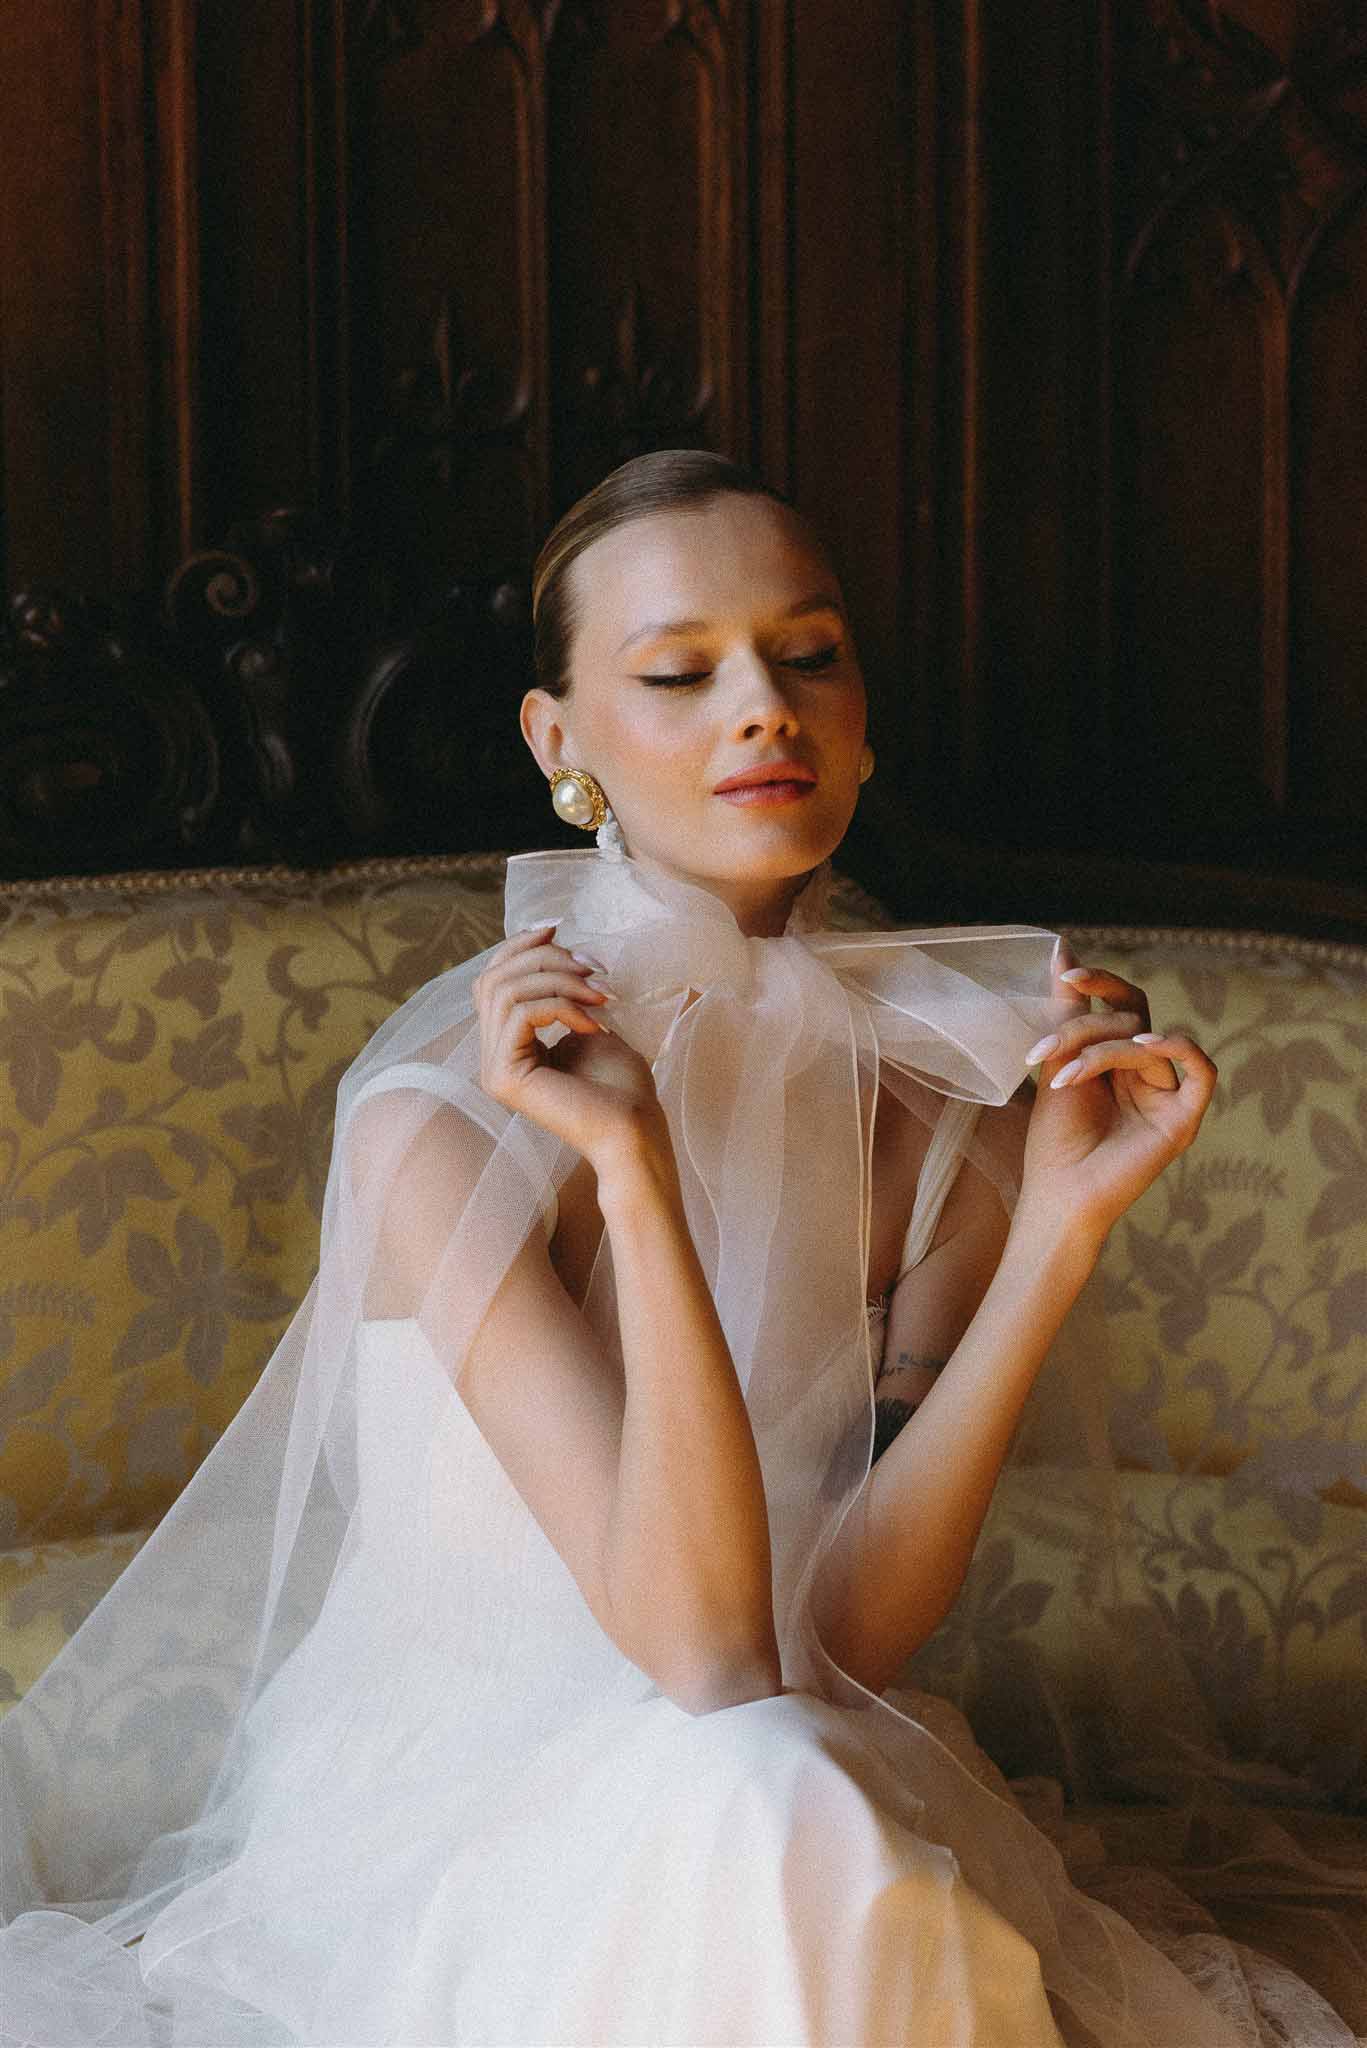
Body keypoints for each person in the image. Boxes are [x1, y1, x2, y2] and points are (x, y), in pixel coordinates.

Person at [0, 449, 1358, 2046]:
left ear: (861, 712)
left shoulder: (956, 1102)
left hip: (804, 1762)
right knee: (762, 1797)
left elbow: (838, 1638)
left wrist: (1058, 1232)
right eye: (677, 671)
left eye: (809, 653)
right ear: (559, 743)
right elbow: (703, 1648)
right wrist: (633, 1175)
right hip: (464, 1826)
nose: (763, 706)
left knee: (779, 1795)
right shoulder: (442, 1128)